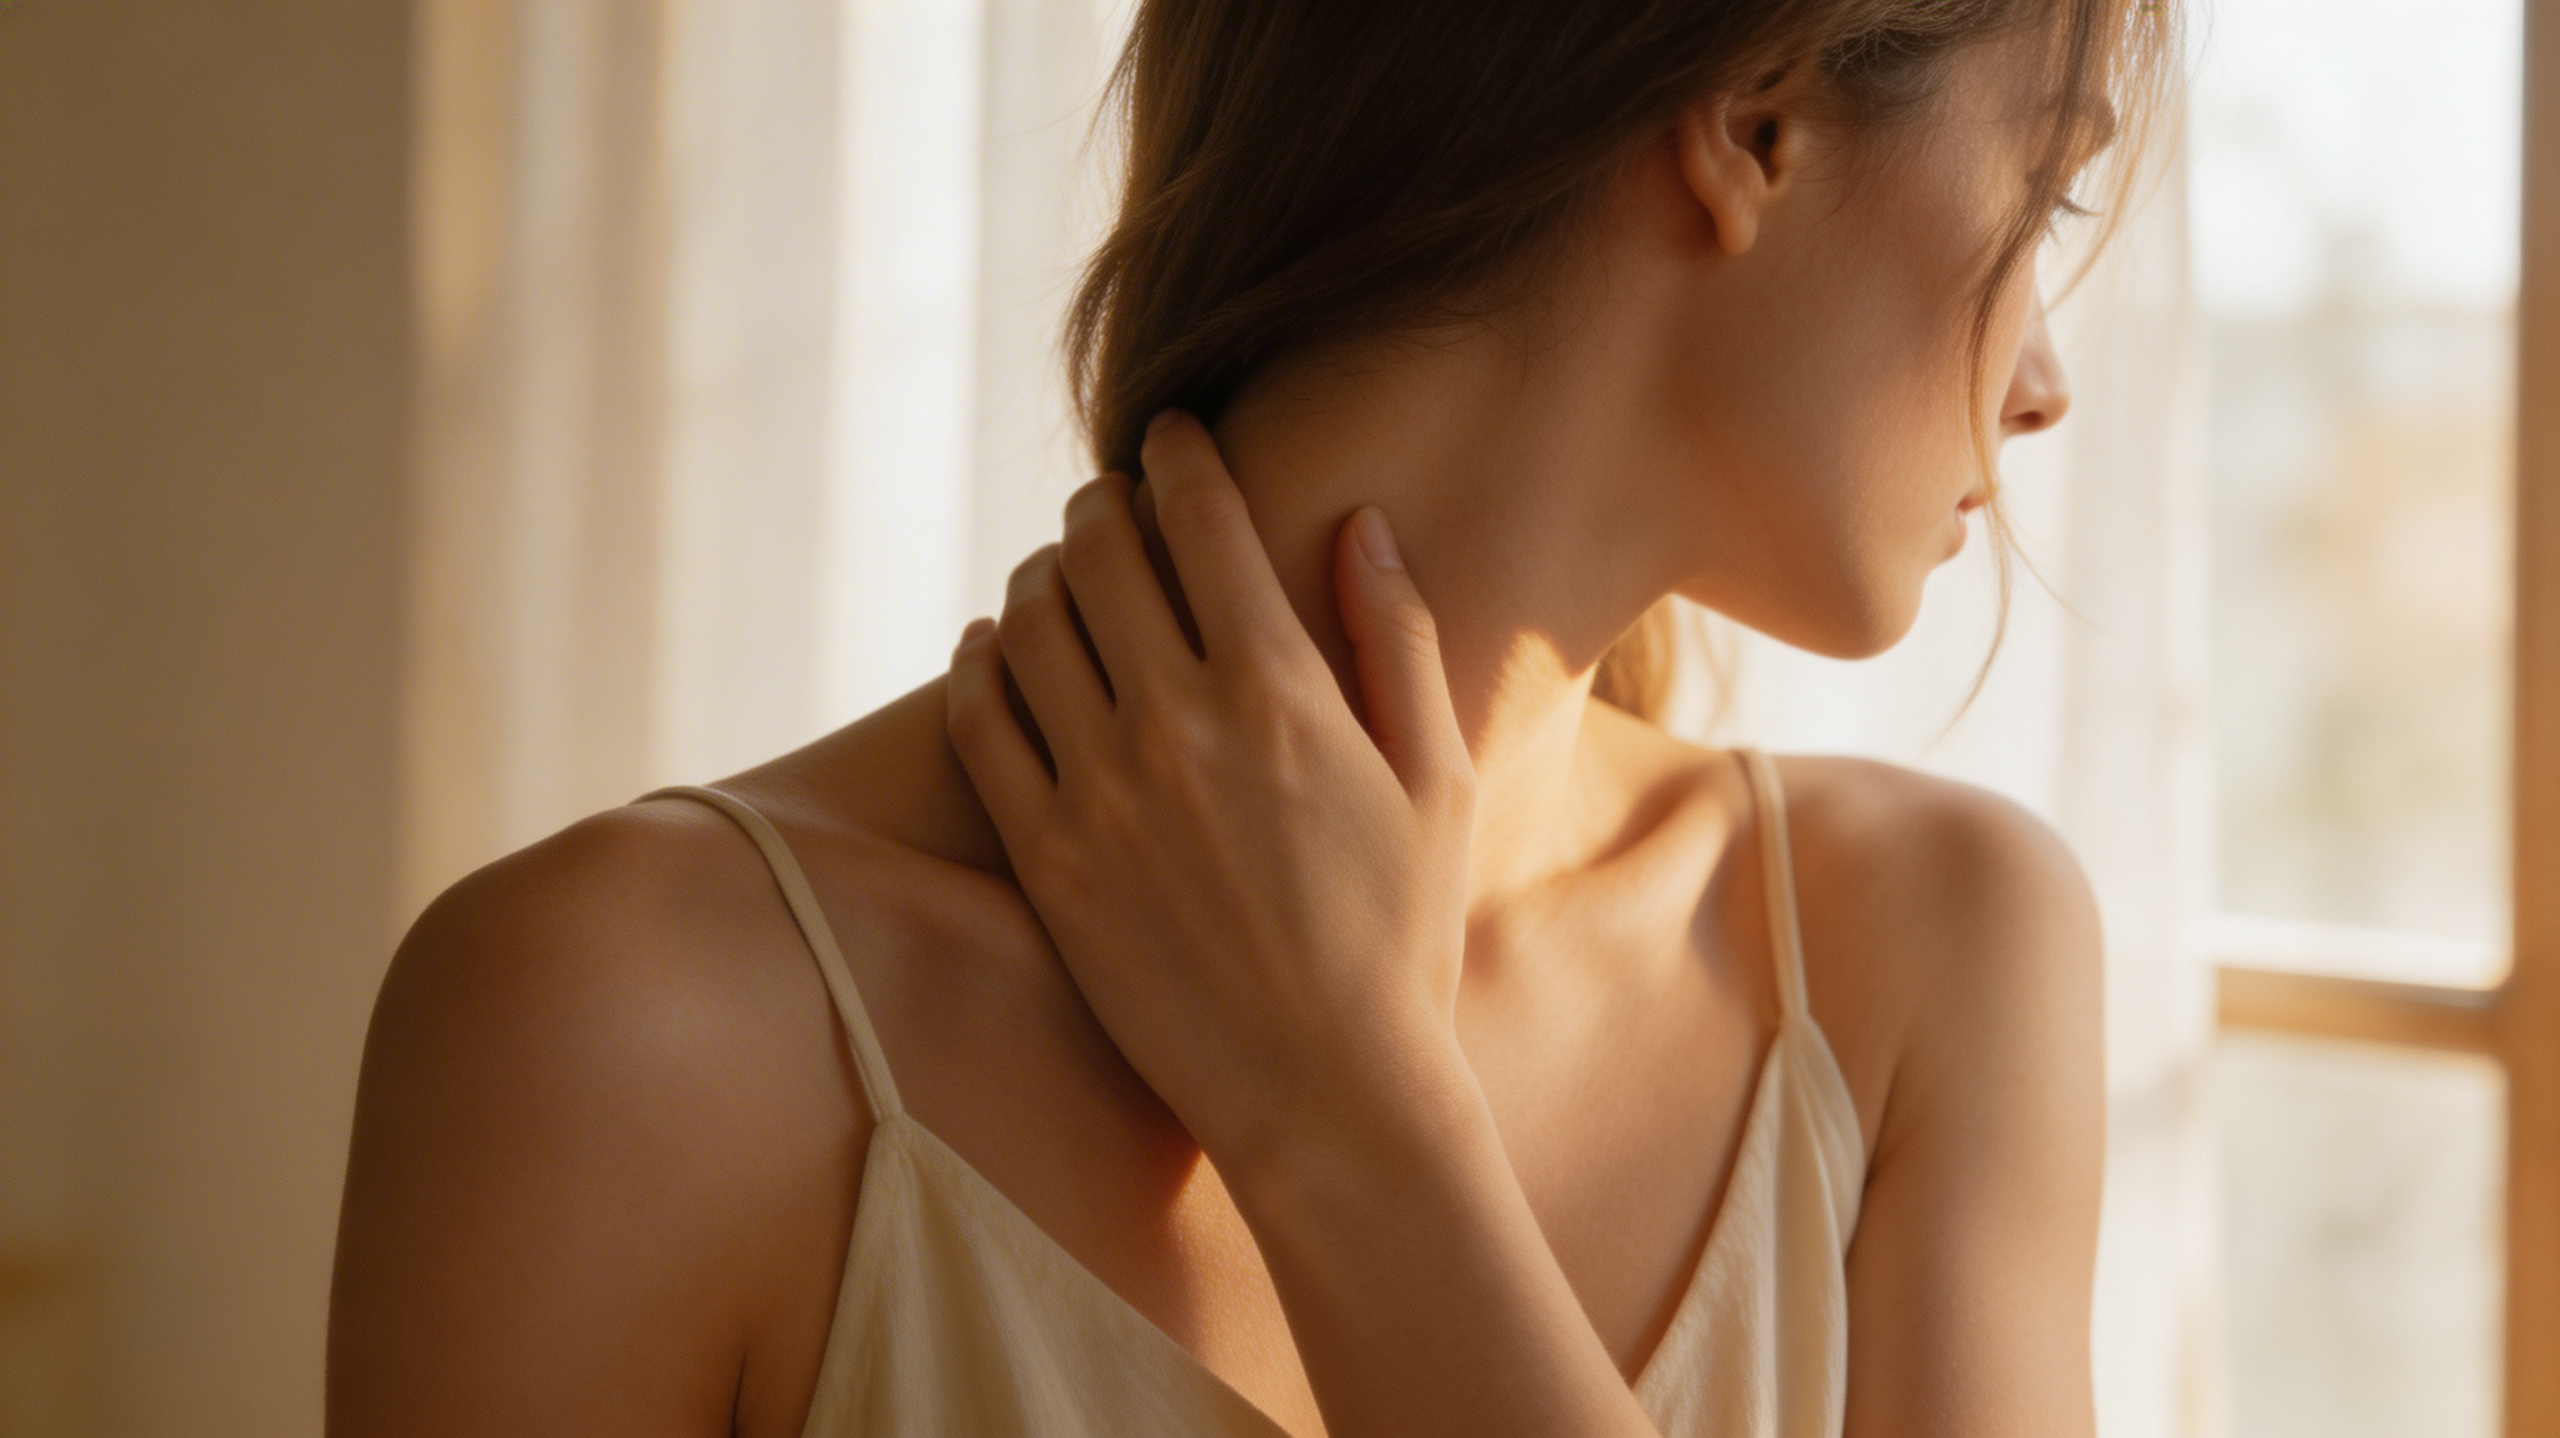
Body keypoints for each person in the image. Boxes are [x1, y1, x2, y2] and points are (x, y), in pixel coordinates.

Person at [327, 0, 2172, 1433]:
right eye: (2053, 185)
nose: (2048, 381)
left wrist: (1356, 1116)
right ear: (1756, 122)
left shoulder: (1936, 962)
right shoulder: (618, 1035)